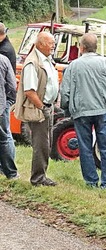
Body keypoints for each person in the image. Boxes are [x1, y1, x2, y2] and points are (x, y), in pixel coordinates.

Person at [60, 33, 106, 188]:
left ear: (82, 47)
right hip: (103, 110)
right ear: (96, 47)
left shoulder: (73, 66)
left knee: (85, 147)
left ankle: (91, 181)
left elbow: (65, 93)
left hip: (81, 112)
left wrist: (67, 109)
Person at [13, 31, 59, 186]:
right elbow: (29, 91)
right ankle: (38, 178)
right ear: (40, 44)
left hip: (47, 106)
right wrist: (42, 107)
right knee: (41, 144)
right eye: (50, 43)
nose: (53, 46)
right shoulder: (32, 63)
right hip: (39, 109)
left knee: (47, 143)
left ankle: (41, 175)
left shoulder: (45, 59)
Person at [0, 53, 18, 179]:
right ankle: (11, 173)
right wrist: (8, 101)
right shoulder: (3, 60)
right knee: (5, 138)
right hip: (1, 106)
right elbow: (13, 85)